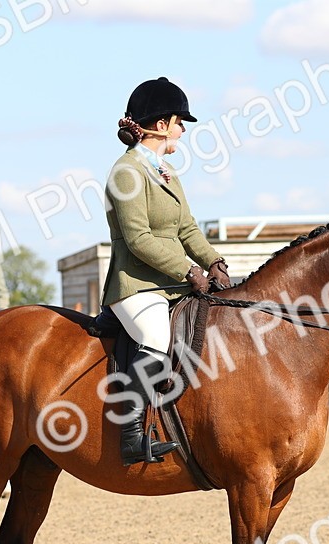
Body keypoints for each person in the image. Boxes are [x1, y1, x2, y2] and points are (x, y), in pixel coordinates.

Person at [102, 77, 233, 466]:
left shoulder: (167, 172)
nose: (183, 131)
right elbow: (138, 239)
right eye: (180, 123)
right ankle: (131, 435)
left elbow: (187, 229)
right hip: (136, 284)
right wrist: (188, 269)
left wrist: (213, 262)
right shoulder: (126, 172)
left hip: (173, 283)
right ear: (161, 125)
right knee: (156, 337)